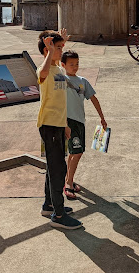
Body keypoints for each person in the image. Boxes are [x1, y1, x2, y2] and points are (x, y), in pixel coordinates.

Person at [36, 29, 82, 230]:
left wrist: (65, 125)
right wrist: (49, 49)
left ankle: (49, 205)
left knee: (53, 166)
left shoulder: (59, 70)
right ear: (47, 50)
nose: (61, 51)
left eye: (62, 47)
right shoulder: (44, 69)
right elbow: (43, 73)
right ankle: (59, 215)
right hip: (48, 125)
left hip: (58, 125)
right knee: (58, 169)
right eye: (58, 48)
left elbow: (61, 101)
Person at [60, 50, 107, 200]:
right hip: (68, 121)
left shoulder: (83, 81)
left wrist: (102, 117)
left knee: (74, 152)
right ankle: (69, 183)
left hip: (80, 121)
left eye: (77, 64)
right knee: (77, 152)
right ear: (63, 65)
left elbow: (93, 99)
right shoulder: (61, 80)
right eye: (71, 64)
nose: (75, 67)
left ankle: (68, 179)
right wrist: (64, 123)